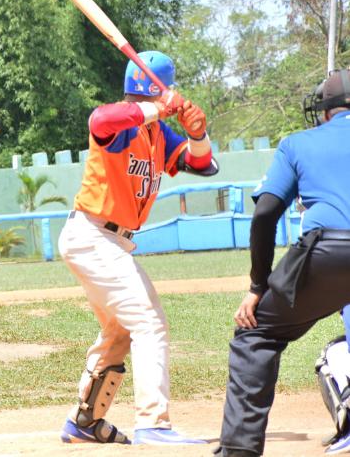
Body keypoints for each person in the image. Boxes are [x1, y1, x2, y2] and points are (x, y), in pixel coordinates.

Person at [58, 51, 218, 445]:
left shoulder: (156, 134)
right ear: (156, 89)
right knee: (149, 322)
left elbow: (203, 163)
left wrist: (198, 134)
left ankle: (84, 421)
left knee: (120, 332)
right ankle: (153, 423)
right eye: (170, 87)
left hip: (110, 242)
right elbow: (99, 121)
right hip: (92, 235)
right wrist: (157, 108)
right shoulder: (123, 123)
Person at [215, 69, 350, 457]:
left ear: (325, 111)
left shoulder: (297, 143)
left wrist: (259, 286)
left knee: (256, 335)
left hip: (325, 254)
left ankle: (239, 450)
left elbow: (265, 214)